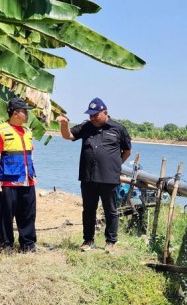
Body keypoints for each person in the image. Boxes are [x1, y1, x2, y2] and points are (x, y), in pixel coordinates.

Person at [56, 98, 132, 252]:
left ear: (105, 113)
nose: (92, 118)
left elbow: (127, 151)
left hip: (109, 179)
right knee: (88, 210)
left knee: (110, 210)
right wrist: (64, 125)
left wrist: (114, 166)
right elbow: (68, 135)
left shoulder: (119, 129)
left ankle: (110, 241)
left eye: (95, 115)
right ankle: (88, 240)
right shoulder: (86, 126)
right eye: (90, 115)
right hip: (88, 177)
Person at [0, 97, 37, 254]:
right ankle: (6, 244)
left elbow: (30, 154)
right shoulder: (0, 129)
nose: (27, 115)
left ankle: (28, 244)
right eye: (25, 112)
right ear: (16, 113)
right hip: (8, 180)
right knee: (6, 214)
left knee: (28, 214)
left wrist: (33, 173)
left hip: (27, 180)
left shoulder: (28, 132)